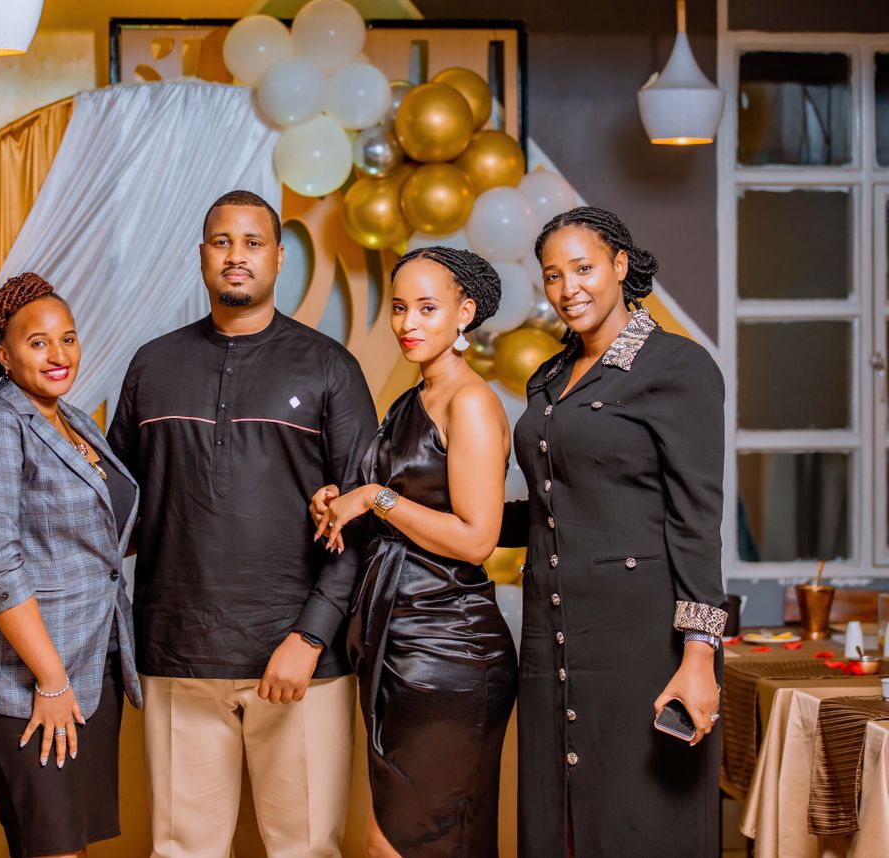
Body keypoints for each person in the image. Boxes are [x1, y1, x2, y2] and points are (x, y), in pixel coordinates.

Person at [107, 190, 378, 858]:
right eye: (222, 242)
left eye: (253, 243)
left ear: (279, 258)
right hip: (176, 652)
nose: (237, 256)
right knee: (181, 850)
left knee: (305, 849)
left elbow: (362, 517)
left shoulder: (329, 366)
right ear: (202, 255)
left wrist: (310, 637)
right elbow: (113, 506)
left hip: (300, 658)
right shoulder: (152, 364)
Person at [502, 206, 726, 857]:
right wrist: (414, 506)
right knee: (556, 826)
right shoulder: (548, 377)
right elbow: (551, 507)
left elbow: (696, 518)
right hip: (552, 637)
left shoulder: (677, 366)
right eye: (553, 275)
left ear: (620, 265)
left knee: (642, 824)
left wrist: (699, 655)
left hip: (642, 641)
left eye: (583, 268)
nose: (567, 288)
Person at [310, 247, 518, 857]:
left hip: (448, 649)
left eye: (428, 308)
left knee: (405, 842)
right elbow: (402, 506)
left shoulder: (470, 401)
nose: (408, 323)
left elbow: (477, 538)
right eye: (400, 308)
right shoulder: (412, 397)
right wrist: (339, 502)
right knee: (395, 839)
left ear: (464, 313)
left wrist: (375, 498)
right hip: (398, 641)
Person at [0, 273, 142, 858]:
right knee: (54, 849)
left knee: (63, 847)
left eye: (68, 338)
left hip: (90, 663)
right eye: (38, 342)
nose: (59, 355)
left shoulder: (75, 420)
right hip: (24, 680)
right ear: (3, 355)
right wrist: (51, 681)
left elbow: (95, 536)